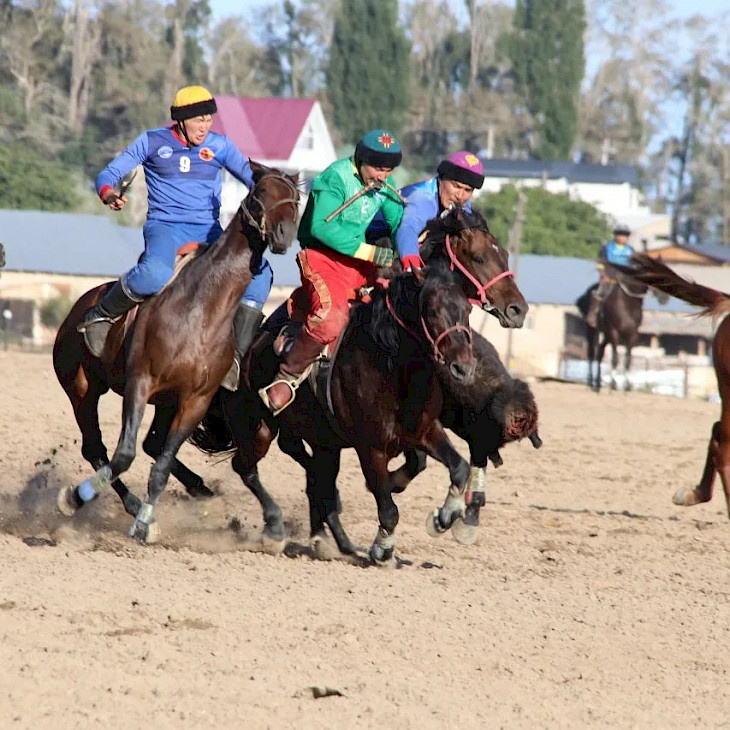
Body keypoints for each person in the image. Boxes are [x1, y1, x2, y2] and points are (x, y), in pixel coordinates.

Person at [78, 85, 270, 390]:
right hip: (165, 227)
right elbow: (107, 175)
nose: (204, 127)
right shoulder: (152, 141)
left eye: (209, 120)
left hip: (209, 231)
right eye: (198, 121)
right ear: (180, 120)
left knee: (260, 276)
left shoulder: (220, 146)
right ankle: (99, 316)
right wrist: (109, 193)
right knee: (154, 274)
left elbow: (256, 181)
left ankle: (234, 358)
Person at [258, 129, 405, 415]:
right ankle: (287, 375)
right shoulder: (335, 177)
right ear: (361, 160)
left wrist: (408, 245)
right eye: (378, 169)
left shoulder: (384, 184)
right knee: (331, 319)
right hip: (322, 257)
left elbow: (397, 219)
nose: (383, 176)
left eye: (388, 170)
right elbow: (321, 228)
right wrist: (371, 253)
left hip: (358, 262)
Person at [393, 150, 486, 270]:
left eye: (467, 190)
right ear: (442, 179)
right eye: (456, 186)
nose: (460, 195)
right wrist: (413, 267)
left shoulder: (459, 202)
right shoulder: (424, 198)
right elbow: (408, 229)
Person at [584, 223, 635, 327]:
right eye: (620, 235)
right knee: (600, 291)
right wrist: (604, 275)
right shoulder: (607, 247)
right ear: (616, 236)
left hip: (625, 278)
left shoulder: (630, 250)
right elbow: (601, 263)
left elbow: (633, 265)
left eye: (625, 235)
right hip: (610, 277)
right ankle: (592, 314)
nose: (622, 237)